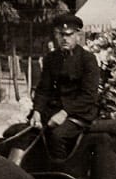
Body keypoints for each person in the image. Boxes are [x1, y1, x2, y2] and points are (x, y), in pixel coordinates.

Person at [30, 13, 100, 160]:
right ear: (56, 36)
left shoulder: (88, 60)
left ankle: (61, 176)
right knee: (29, 133)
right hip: (54, 110)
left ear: (78, 36)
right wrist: (37, 111)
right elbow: (44, 89)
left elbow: (89, 96)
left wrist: (65, 113)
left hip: (79, 113)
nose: (65, 39)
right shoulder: (51, 58)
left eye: (69, 35)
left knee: (57, 136)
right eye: (61, 35)